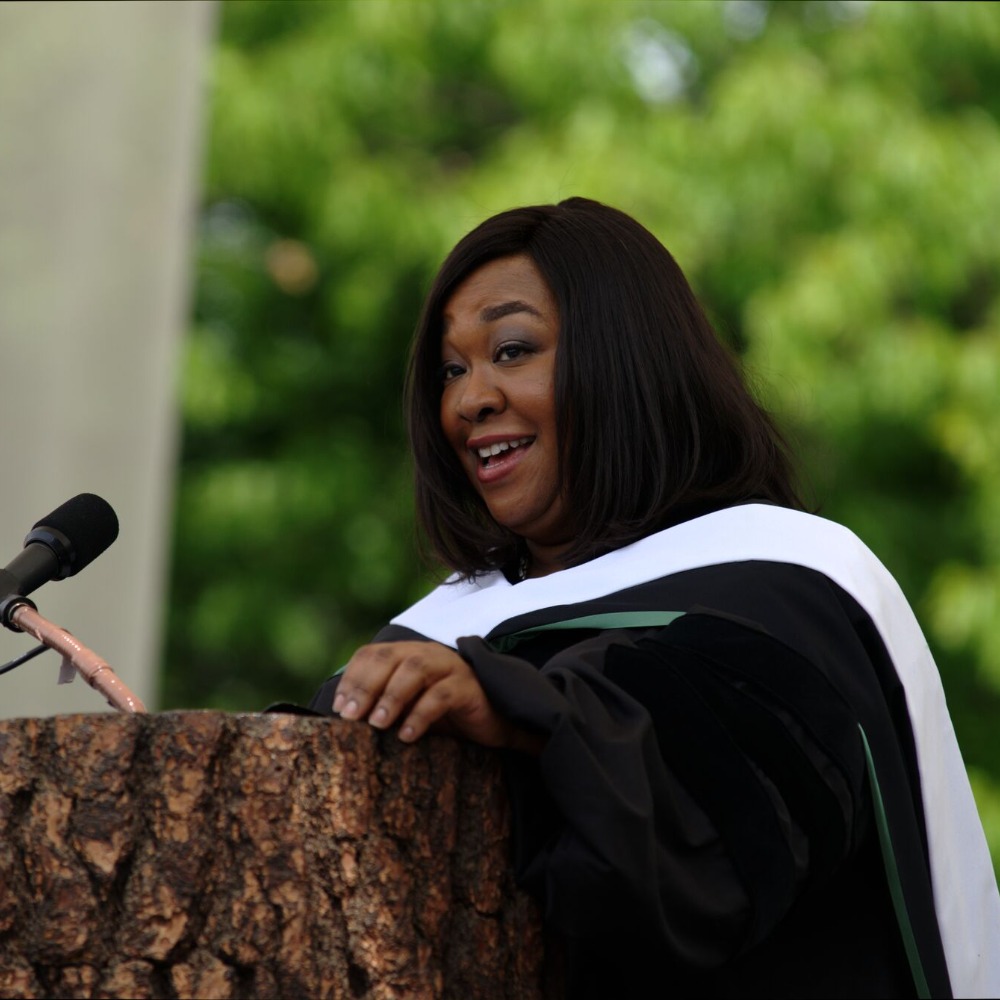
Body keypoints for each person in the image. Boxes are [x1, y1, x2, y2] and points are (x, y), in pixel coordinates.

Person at [309, 198, 1000, 998]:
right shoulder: (439, 627)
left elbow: (716, 830)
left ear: (625, 358)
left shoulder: (788, 576)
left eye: (512, 349)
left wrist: (527, 712)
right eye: (452, 370)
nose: (471, 401)